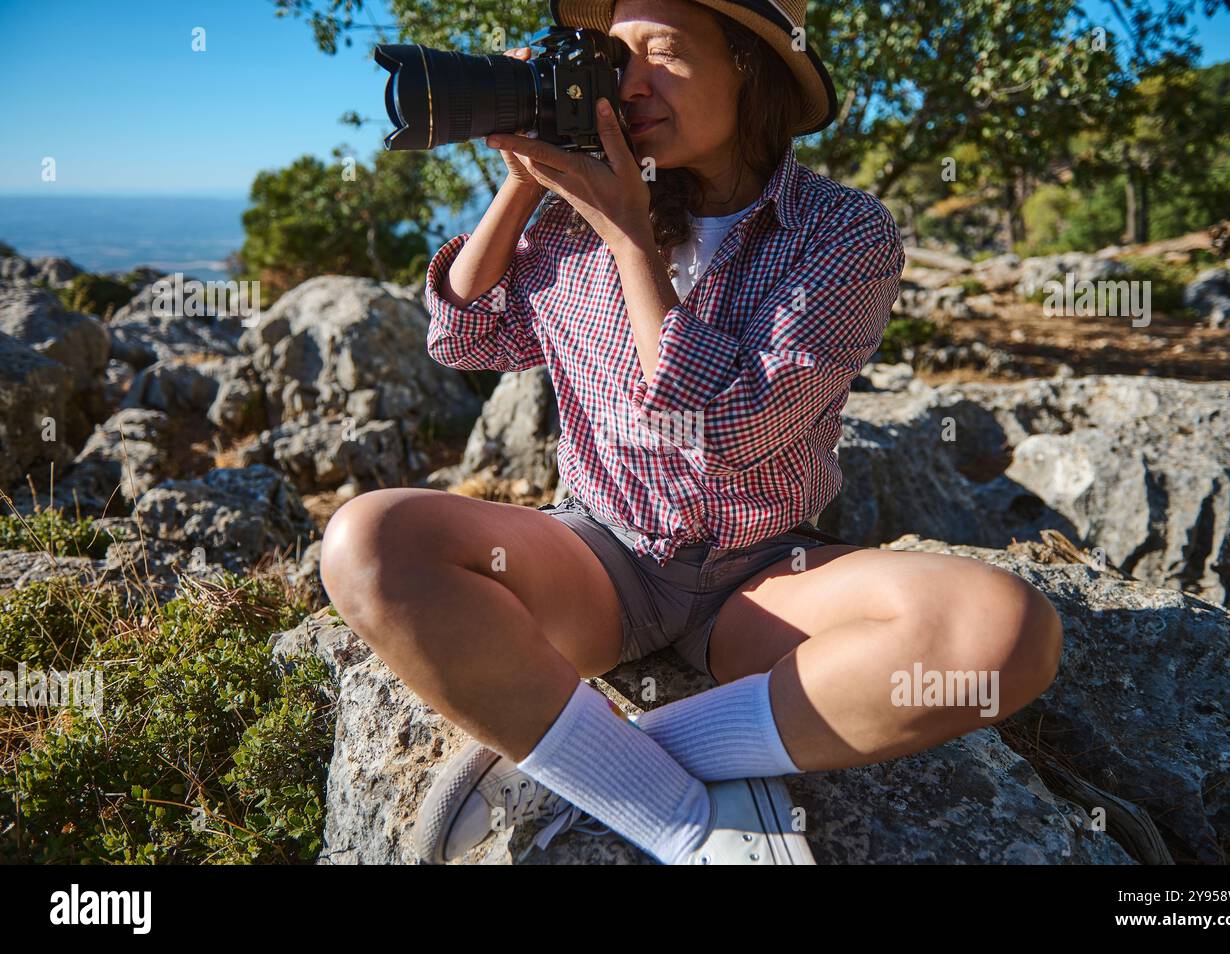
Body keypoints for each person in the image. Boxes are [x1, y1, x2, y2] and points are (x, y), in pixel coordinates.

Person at [320, 0, 1065, 865]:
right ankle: (674, 812)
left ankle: (597, 763)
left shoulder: (842, 230)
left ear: (750, 69)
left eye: (661, 54)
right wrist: (525, 176)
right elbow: (463, 336)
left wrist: (631, 239)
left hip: (762, 574)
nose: (628, 84)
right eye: (611, 59)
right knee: (368, 542)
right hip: (601, 558)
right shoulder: (571, 212)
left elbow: (735, 427)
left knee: (1000, 633)